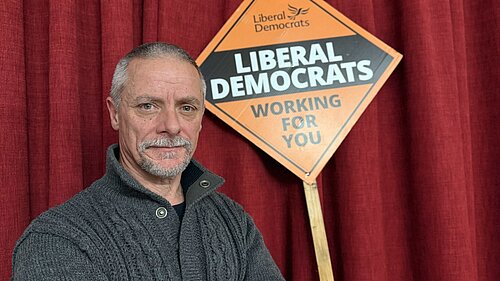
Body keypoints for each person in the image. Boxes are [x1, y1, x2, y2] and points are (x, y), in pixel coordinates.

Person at [11, 42, 285, 280]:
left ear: (201, 118)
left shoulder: (234, 222)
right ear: (115, 114)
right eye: (148, 106)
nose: (172, 126)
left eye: (186, 107)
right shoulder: (58, 239)